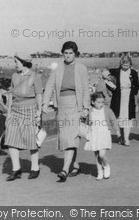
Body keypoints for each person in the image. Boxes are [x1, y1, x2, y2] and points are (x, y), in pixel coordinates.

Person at [42, 41, 90, 183]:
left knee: (71, 137)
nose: (68, 55)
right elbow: (50, 85)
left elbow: (86, 89)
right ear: (62, 53)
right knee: (66, 137)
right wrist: (45, 102)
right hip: (61, 105)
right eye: (66, 53)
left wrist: (86, 107)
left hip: (75, 105)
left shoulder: (81, 68)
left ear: (75, 54)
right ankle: (75, 165)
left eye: (71, 53)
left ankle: (64, 169)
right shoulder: (57, 68)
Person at [5, 53, 43, 181]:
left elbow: (39, 95)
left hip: (30, 110)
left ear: (23, 62)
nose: (15, 65)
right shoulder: (14, 76)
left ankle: (35, 168)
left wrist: (39, 113)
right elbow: (11, 95)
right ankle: (16, 169)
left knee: (31, 140)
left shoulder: (35, 76)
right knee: (11, 138)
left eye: (16, 62)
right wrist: (8, 113)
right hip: (15, 110)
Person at [109, 54, 139, 147]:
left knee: (128, 118)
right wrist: (111, 88)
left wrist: (133, 94)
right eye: (124, 65)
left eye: (127, 65)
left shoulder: (133, 72)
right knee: (118, 118)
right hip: (118, 97)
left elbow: (137, 85)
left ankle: (126, 139)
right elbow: (105, 75)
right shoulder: (115, 71)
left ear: (130, 64)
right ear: (120, 64)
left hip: (129, 97)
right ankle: (120, 137)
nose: (126, 67)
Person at [84, 92, 112, 181]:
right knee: (96, 155)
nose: (101, 104)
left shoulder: (106, 110)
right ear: (93, 102)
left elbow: (113, 119)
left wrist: (118, 130)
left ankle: (106, 166)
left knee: (101, 154)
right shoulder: (90, 111)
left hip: (104, 134)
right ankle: (99, 171)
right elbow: (87, 122)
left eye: (102, 102)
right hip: (94, 134)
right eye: (98, 102)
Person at [95, 69, 121, 139]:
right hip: (106, 101)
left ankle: (102, 134)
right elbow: (112, 90)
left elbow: (97, 91)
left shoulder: (100, 81)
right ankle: (114, 132)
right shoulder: (107, 81)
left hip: (100, 101)